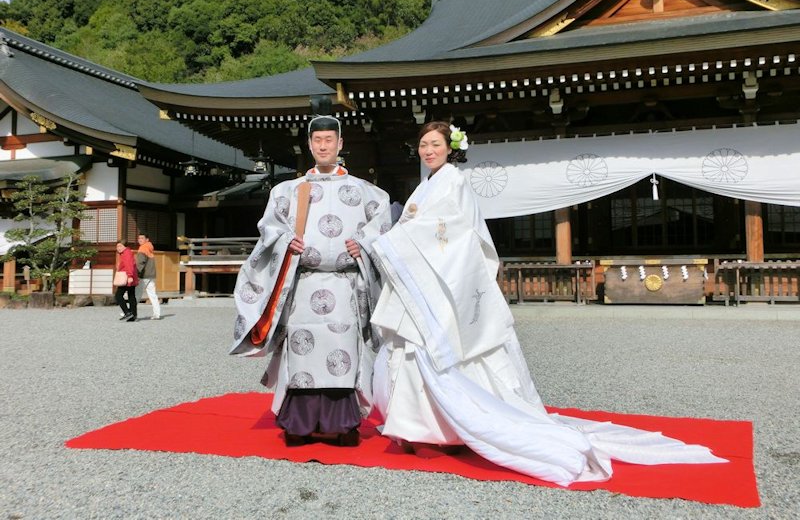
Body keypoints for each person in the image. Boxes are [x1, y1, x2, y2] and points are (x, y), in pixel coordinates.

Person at [369, 120, 726, 485]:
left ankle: (445, 432)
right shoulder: (426, 185)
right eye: (424, 145)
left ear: (450, 147)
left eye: (435, 144)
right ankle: (417, 428)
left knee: (447, 355)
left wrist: (404, 239)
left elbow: (457, 234)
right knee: (418, 352)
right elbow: (415, 227)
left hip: (443, 279)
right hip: (424, 282)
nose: (429, 151)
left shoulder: (455, 181)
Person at [230, 115, 391, 447]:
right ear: (309, 144)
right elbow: (269, 230)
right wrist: (286, 242)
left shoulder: (366, 191)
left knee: (343, 353)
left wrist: (362, 244)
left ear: (340, 144)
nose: (323, 145)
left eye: (329, 140)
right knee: (302, 354)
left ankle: (343, 424)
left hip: (346, 287)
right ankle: (300, 424)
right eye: (317, 140)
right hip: (303, 285)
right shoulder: (288, 191)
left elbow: (383, 230)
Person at [135, 233, 161, 320]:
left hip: (143, 275)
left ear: (147, 239)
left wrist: (136, 273)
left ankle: (130, 312)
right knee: (153, 295)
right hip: (151, 275)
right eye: (139, 238)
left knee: (136, 294)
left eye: (142, 238)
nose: (140, 240)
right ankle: (157, 314)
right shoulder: (150, 248)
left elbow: (140, 263)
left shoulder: (142, 248)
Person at [115, 241, 139, 322]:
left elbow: (129, 265)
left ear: (125, 246)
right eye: (117, 246)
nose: (118, 248)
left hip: (127, 277)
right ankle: (133, 315)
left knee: (118, 295)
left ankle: (127, 312)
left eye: (120, 246)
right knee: (131, 296)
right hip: (130, 277)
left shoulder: (126, 254)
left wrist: (129, 276)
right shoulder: (127, 253)